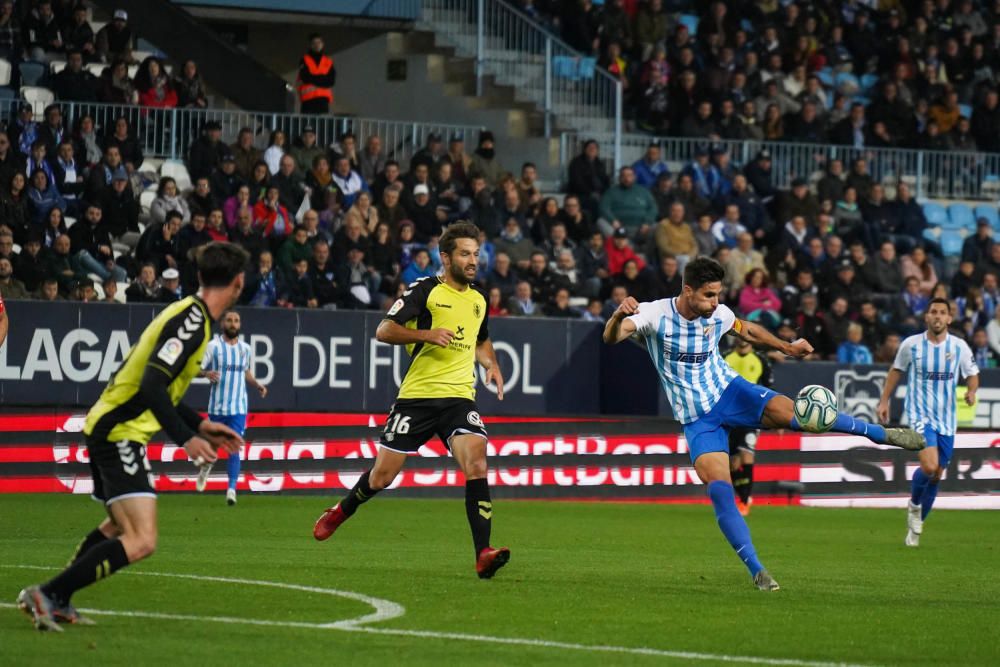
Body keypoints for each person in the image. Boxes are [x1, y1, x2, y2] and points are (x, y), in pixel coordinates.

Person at [602, 257, 925, 590]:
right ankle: (757, 570)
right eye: (709, 295)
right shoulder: (654, 315)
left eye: (718, 294)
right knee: (720, 488)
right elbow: (612, 336)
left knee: (801, 416)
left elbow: (748, 329)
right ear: (687, 290)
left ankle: (881, 434)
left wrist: (786, 346)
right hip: (698, 419)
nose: (715, 303)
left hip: (732, 392)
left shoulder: (718, 314)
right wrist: (617, 315)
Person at [16, 242, 249, 632]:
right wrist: (184, 438)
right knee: (142, 539)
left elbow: (162, 388)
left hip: (110, 425)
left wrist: (199, 424)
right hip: (119, 431)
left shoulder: (191, 316)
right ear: (238, 283)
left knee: (118, 528)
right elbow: (152, 384)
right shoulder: (193, 322)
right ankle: (47, 593)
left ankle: (57, 599)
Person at [313, 222, 511, 579]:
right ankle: (341, 511)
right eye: (464, 254)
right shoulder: (425, 291)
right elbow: (384, 330)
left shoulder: (479, 299)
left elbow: (481, 341)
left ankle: (483, 553)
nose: (472, 261)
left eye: (475, 254)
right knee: (382, 477)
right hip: (416, 399)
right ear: (445, 256)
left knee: (477, 464)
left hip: (458, 399)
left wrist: (492, 364)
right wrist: (426, 334)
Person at [877, 299, 980, 548]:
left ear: (949, 319)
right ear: (926, 317)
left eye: (942, 313)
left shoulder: (959, 347)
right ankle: (914, 503)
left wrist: (971, 391)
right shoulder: (911, 345)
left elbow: (973, 374)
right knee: (930, 465)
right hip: (919, 415)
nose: (937, 316)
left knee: (936, 475)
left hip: (947, 419)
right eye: (933, 311)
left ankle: (916, 526)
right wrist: (884, 401)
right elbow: (896, 371)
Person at [195, 310, 268, 505]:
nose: (233, 324)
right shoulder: (213, 346)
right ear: (223, 324)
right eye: (229, 320)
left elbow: (245, 372)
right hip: (217, 408)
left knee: (235, 447)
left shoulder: (245, 348)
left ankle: (231, 489)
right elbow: (196, 369)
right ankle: (205, 468)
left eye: (236, 320)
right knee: (213, 448)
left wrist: (257, 384)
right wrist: (206, 373)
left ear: (240, 324)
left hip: (238, 408)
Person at [723, 338, 773, 516]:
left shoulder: (761, 359)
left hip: (752, 416)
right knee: (732, 463)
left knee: (747, 454)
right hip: (729, 416)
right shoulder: (725, 357)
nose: (742, 339)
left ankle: (744, 501)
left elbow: (769, 391)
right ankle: (743, 497)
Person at [297, 33, 335, 114]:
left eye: (319, 42)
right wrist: (322, 78)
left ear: (322, 44)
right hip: (308, 100)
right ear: (310, 45)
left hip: (323, 101)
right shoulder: (304, 60)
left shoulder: (328, 61)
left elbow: (331, 81)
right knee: (307, 125)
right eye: (314, 43)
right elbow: (305, 77)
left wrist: (313, 80)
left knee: (321, 125)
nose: (317, 45)